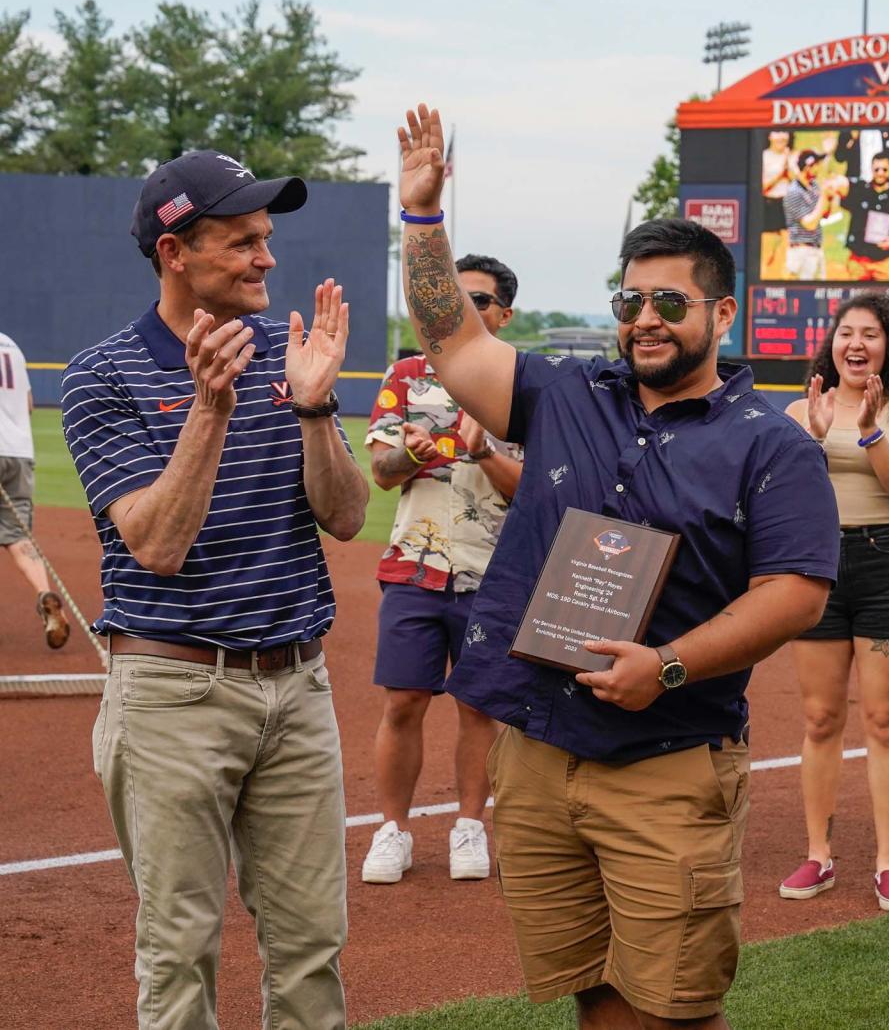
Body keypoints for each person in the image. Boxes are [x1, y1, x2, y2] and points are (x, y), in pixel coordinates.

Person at [397, 103, 837, 1030]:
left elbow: (796, 593)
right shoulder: (568, 393)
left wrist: (666, 665)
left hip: (667, 756)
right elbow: (451, 338)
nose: (645, 319)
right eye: (629, 301)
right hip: (537, 747)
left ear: (721, 313)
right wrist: (424, 220)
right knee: (593, 991)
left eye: (669, 302)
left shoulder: (771, 443)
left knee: (675, 1006)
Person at [61, 149, 370, 1030]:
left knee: (313, 945)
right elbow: (154, 544)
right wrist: (210, 406)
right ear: (176, 254)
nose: (266, 258)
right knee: (180, 949)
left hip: (297, 685)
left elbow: (345, 518)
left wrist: (314, 410)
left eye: (267, 239)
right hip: (172, 693)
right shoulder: (104, 374)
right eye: (242, 242)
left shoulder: (290, 352)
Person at [360, 252, 526, 885]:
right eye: (455, 296)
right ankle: (393, 830)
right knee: (402, 701)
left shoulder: (523, 385)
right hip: (414, 566)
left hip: (493, 572)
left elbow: (530, 490)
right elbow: (381, 473)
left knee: (478, 708)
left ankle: (468, 826)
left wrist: (482, 452)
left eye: (478, 300)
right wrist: (410, 454)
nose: (463, 308)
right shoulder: (406, 375)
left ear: (504, 314)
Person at [779, 292, 889, 910]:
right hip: (817, 565)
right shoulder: (801, 408)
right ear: (832, 342)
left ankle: (888, 862)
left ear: (888, 345)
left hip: (882, 564)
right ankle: (818, 855)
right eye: (847, 332)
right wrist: (813, 441)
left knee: (884, 720)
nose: (856, 344)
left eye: (870, 334)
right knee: (820, 719)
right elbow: (789, 497)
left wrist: (871, 432)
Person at [0, 329, 69, 648]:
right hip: (19, 452)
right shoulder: (11, 345)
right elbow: (28, 405)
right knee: (18, 537)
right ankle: (44, 593)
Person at [837, 154, 889, 281]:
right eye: (876, 169)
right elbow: (840, 187)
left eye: (884, 169)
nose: (880, 173)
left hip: (884, 262)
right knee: (856, 298)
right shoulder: (860, 190)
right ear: (871, 169)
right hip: (858, 261)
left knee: (885, 299)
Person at [783, 150, 832, 280]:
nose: (819, 168)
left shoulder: (814, 186)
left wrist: (830, 198)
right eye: (816, 164)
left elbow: (825, 214)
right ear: (807, 166)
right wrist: (824, 195)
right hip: (800, 253)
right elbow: (810, 224)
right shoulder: (793, 192)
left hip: (816, 249)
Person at [760, 131, 795, 279]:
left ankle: (783, 279)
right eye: (777, 133)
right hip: (769, 204)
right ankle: (764, 277)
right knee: (769, 246)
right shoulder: (764, 156)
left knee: (788, 243)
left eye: (784, 133)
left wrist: (791, 168)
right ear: (769, 136)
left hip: (787, 203)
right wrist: (780, 174)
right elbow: (762, 187)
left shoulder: (791, 156)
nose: (781, 137)